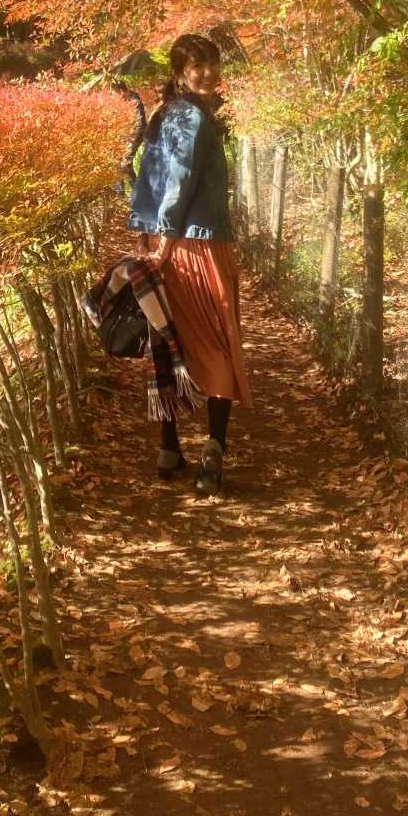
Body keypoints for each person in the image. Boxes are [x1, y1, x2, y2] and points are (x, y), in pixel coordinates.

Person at [127, 33, 251, 494]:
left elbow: (149, 178)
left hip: (168, 239)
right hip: (195, 245)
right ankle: (214, 447)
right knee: (218, 341)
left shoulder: (167, 115)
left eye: (213, 64)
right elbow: (175, 184)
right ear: (179, 73)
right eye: (197, 66)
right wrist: (165, 240)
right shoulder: (192, 118)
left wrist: (151, 235)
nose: (208, 73)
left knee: (169, 341)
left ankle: (169, 447)